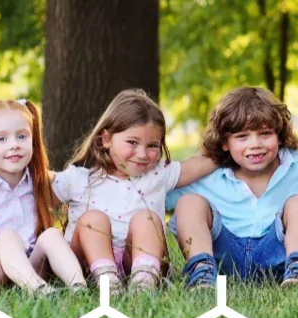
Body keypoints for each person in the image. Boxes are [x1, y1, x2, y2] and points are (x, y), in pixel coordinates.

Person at [167, 87, 298, 289]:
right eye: (242, 136)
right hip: (223, 260)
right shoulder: (207, 173)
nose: (255, 144)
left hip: (278, 259)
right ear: (225, 142)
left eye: (265, 133)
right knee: (188, 203)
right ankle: (201, 273)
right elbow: (156, 195)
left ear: (279, 135)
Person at [54, 89, 217, 295]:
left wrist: (234, 142)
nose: (142, 154)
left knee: (146, 218)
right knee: (92, 219)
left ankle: (143, 285)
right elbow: (36, 189)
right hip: (87, 264)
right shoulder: (78, 178)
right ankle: (108, 283)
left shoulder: (159, 174)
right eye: (132, 142)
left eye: (152, 146)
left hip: (144, 260)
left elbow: (199, 164)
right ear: (106, 139)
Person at [0, 99, 85, 293]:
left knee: (52, 234)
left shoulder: (40, 182)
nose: (14, 145)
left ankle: (79, 287)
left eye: (22, 136)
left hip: (33, 265)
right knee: (8, 237)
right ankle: (40, 291)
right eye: (2, 139)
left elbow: (76, 182)